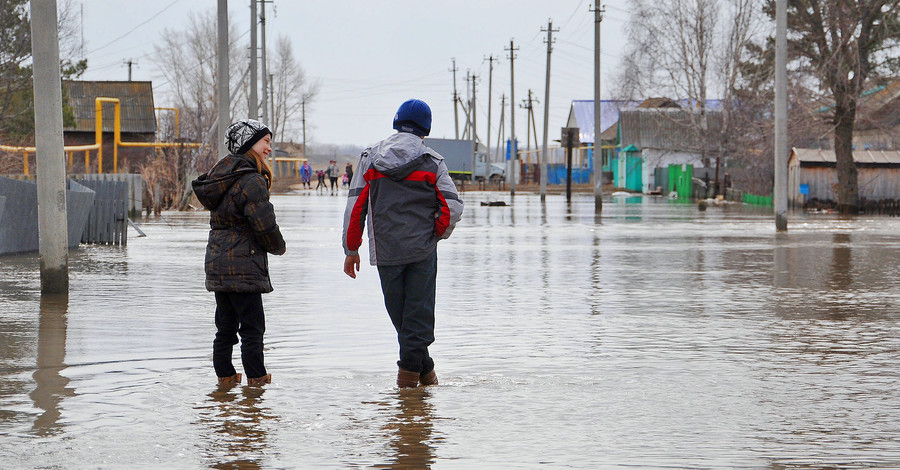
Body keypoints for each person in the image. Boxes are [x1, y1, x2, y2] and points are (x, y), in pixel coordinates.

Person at [342, 99, 463, 388]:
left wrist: (351, 249)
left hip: (385, 251)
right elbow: (453, 207)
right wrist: (435, 233)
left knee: (404, 321)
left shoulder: (370, 158)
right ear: (426, 129)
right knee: (416, 322)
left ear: (396, 122)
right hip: (421, 251)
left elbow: (356, 205)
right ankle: (409, 398)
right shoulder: (432, 161)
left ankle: (417, 393)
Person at [192, 118, 286, 388]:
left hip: (218, 263)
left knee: (225, 327)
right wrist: (279, 247)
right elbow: (264, 224)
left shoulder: (219, 176)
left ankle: (225, 379)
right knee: (253, 329)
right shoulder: (252, 180)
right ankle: (257, 383)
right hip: (244, 265)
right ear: (250, 143)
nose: (269, 148)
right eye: (266, 141)